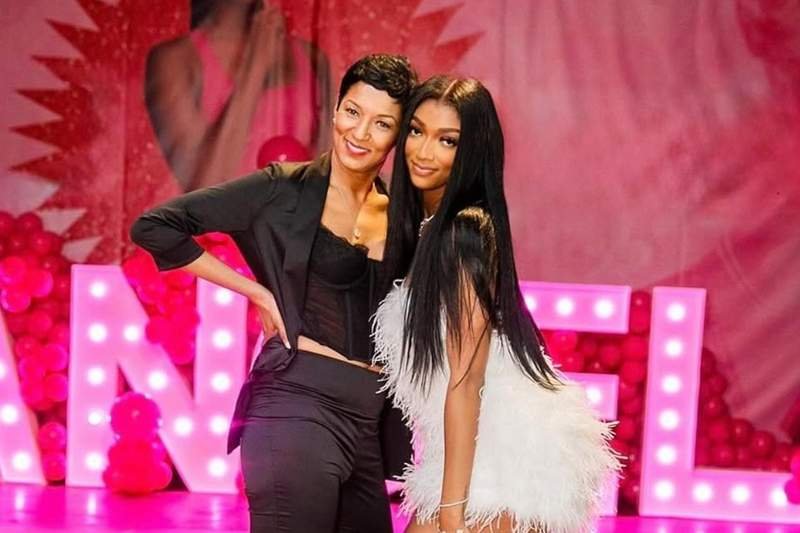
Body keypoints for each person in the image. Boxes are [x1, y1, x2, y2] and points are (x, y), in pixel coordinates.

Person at [131, 54, 417, 533]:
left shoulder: (403, 214)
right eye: (353, 112)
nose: (361, 132)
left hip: (367, 424)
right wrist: (256, 291)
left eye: (382, 123)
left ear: (398, 135)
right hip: (294, 406)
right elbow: (155, 227)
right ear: (335, 110)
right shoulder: (281, 189)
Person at [375, 76, 621, 533]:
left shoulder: (464, 234)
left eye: (447, 140)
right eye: (417, 131)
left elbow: (466, 381)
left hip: (505, 453)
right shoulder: (426, 230)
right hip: (462, 449)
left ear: (472, 150)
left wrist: (452, 514)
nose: (423, 151)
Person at [145, 0, 331, 191]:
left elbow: (329, 185)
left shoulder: (312, 59)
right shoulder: (177, 60)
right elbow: (202, 186)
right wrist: (256, 65)